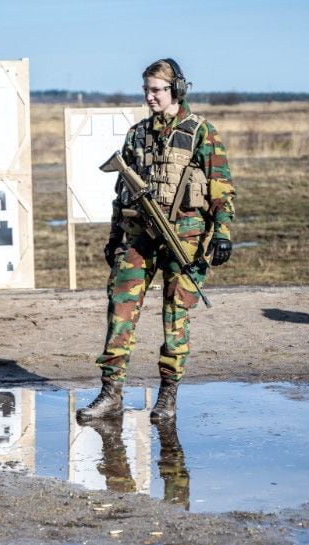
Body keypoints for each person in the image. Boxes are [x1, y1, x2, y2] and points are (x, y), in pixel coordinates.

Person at [77, 58, 235, 424]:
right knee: (120, 310)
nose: (150, 97)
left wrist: (222, 234)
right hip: (139, 237)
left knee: (175, 318)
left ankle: (167, 396)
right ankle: (111, 394)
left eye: (157, 90)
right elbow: (122, 192)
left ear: (176, 90)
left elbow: (221, 189)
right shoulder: (137, 134)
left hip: (186, 240)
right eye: (146, 90)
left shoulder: (201, 132)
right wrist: (115, 236)